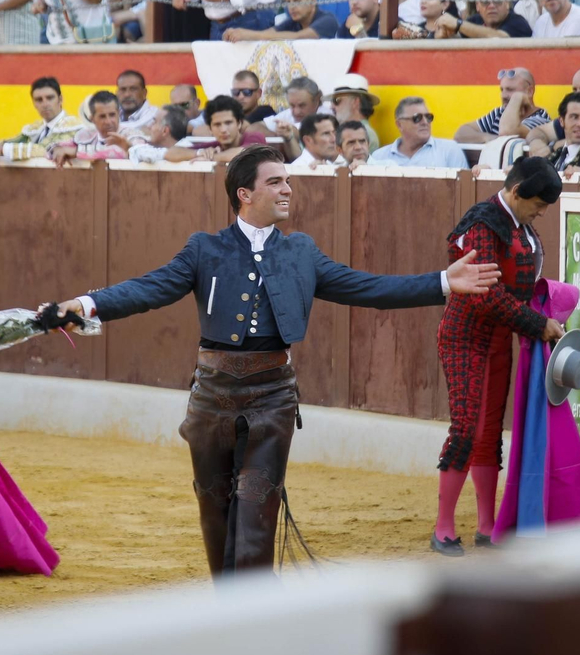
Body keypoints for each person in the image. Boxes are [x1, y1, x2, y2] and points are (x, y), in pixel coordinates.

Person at [47, 145, 499, 578]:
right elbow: (151, 287)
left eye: (289, 182)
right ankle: (231, 605)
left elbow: (366, 288)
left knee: (258, 500)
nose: (287, 190)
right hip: (212, 395)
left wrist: (441, 281)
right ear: (245, 194)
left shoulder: (301, 251)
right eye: (276, 182)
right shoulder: (204, 249)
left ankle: (252, 609)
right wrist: (86, 305)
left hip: (272, 393)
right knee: (215, 502)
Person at [431, 156, 564, 555]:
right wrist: (536, 324)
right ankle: (443, 527)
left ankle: (488, 524)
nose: (541, 212)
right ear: (519, 192)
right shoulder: (483, 223)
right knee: (467, 428)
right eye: (539, 203)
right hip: (465, 335)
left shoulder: (516, 224)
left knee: (489, 432)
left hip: (498, 338)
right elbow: (485, 292)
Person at [369, 97, 469, 169]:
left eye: (428, 117)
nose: (425, 122)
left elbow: (465, 191)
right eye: (417, 118)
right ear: (399, 124)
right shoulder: (379, 156)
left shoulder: (449, 150)